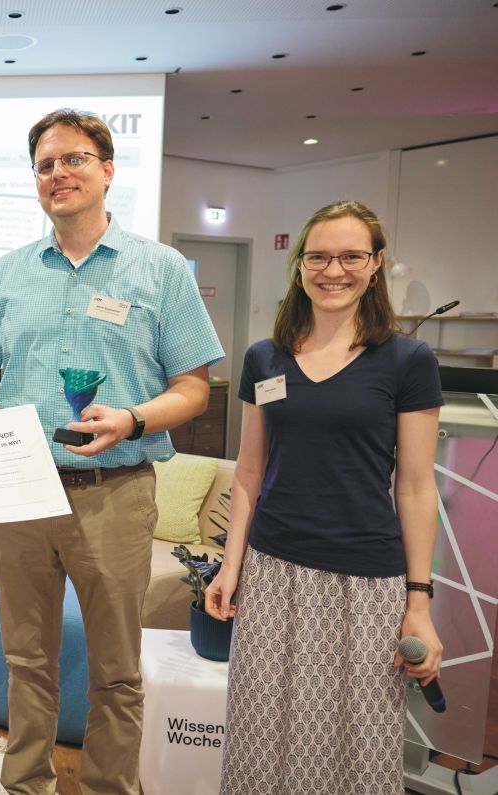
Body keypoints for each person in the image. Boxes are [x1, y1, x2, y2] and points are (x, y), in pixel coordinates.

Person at [0, 108, 223, 795]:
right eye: (45, 165)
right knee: (27, 658)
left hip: (116, 490)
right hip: (20, 491)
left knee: (116, 669)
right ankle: (26, 785)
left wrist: (132, 418)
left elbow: (195, 387)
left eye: (73, 159)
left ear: (106, 170)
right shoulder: (9, 273)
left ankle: (108, 788)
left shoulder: (159, 269)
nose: (57, 174)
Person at [205, 200, 443, 794]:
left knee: (356, 745)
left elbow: (415, 487)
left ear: (376, 264)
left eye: (350, 256)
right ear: (300, 265)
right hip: (274, 571)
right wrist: (230, 566)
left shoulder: (408, 361)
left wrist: (420, 601)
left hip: (366, 582)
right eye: (318, 256)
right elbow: (249, 471)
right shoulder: (267, 356)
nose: (333, 270)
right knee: (262, 737)